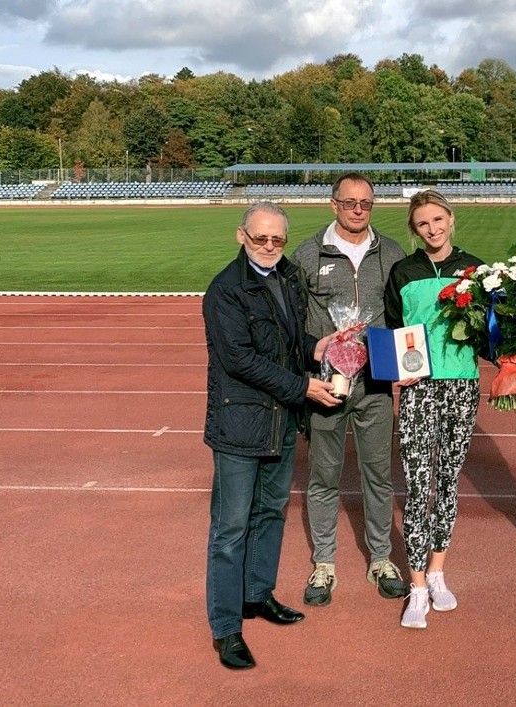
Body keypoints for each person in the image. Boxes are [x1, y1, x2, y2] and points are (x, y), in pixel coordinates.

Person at [203, 201, 340, 670]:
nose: (268, 247)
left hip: (281, 421)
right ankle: (226, 628)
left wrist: (316, 347)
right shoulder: (225, 290)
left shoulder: (286, 279)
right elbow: (240, 359)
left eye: (277, 240)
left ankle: (257, 596)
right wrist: (304, 386)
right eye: (260, 238)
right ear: (240, 235)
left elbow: (286, 344)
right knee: (230, 529)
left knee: (270, 514)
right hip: (241, 425)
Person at [291, 172, 408, 606]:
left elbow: (402, 316)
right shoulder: (306, 253)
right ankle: (324, 563)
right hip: (326, 385)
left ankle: (380, 557)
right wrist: (307, 369)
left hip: (375, 385)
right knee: (322, 476)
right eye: (349, 202)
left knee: (378, 473)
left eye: (366, 204)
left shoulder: (391, 252)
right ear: (333, 204)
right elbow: (293, 322)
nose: (358, 210)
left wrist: (405, 360)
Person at [384, 190, 484, 629]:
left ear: (451, 219)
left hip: (462, 386)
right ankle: (417, 586)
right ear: (414, 229)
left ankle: (439, 571)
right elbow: (391, 331)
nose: (433, 228)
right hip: (419, 389)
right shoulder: (402, 272)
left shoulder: (475, 268)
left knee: (447, 482)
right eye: (423, 223)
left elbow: (489, 330)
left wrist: (509, 358)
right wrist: (395, 376)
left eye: (438, 219)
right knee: (418, 484)